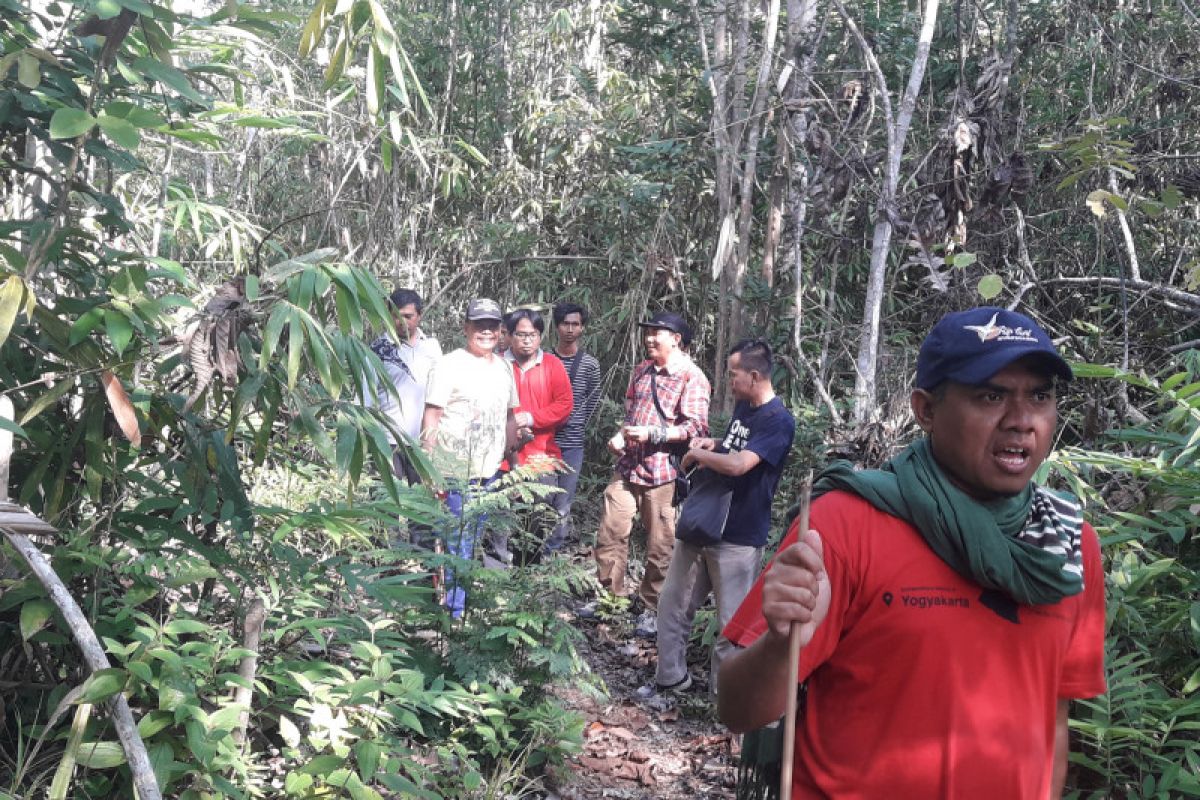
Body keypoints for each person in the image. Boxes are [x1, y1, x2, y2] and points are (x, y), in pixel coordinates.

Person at [719, 307, 1107, 799]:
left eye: (1041, 396)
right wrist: (779, 644)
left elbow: (1053, 721)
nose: (1023, 421)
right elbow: (736, 709)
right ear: (925, 409)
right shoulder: (844, 524)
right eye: (991, 395)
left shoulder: (1066, 545)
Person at [640, 339, 795, 698]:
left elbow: (742, 465)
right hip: (702, 524)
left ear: (754, 376)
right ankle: (670, 679)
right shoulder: (744, 407)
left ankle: (724, 702)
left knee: (733, 627)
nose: (729, 381)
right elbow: (733, 449)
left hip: (739, 536)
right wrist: (713, 444)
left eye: (733, 374)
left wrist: (697, 455)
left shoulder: (778, 421)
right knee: (673, 605)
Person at [581, 310, 711, 639]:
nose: (650, 338)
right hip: (628, 465)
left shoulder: (691, 377)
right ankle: (611, 598)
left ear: (676, 339)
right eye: (648, 332)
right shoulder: (642, 370)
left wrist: (653, 434)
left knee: (661, 545)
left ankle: (653, 608)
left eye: (658, 332)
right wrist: (621, 435)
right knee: (610, 533)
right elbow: (631, 411)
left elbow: (696, 428)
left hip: (664, 471)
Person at [421, 298, 519, 617]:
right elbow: (432, 415)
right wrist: (428, 466)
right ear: (466, 328)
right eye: (480, 325)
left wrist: (513, 464)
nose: (487, 332)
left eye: (493, 326)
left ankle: (460, 606)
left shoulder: (504, 366)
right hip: (454, 470)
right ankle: (454, 614)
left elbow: (509, 417)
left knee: (472, 540)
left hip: (489, 470)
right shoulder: (449, 364)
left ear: (501, 330)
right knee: (457, 543)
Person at [499, 308, 574, 558]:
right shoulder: (498, 364)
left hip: (540, 457)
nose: (527, 340)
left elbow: (565, 404)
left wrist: (531, 417)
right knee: (500, 521)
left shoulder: (552, 365)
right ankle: (496, 572)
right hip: (500, 458)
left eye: (533, 334)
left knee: (536, 518)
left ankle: (528, 573)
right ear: (509, 336)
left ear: (541, 336)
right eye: (520, 334)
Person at [367, 288, 442, 484]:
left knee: (421, 506)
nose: (402, 322)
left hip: (424, 442)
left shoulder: (432, 348)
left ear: (419, 316)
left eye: (408, 316)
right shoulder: (377, 350)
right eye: (396, 317)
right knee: (386, 504)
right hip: (387, 440)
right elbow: (367, 398)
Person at [543, 302, 601, 554]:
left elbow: (592, 401)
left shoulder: (590, 364)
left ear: (582, 328)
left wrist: (576, 424)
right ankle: (531, 548)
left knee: (564, 499)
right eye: (565, 323)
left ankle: (553, 549)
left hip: (572, 443)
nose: (569, 329)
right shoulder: (543, 360)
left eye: (575, 324)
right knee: (540, 496)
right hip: (543, 442)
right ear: (556, 326)